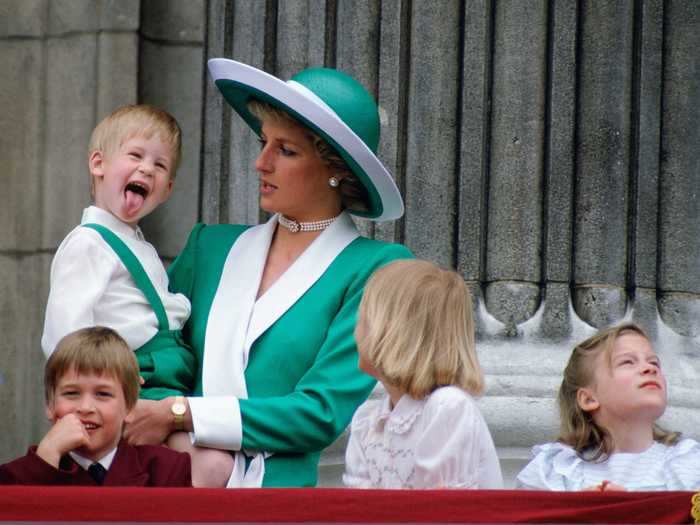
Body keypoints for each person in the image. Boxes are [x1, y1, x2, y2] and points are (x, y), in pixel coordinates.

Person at [122, 59, 413, 487]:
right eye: (264, 142)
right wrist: (169, 425)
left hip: (280, 501)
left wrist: (182, 415)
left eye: (286, 150)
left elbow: (320, 412)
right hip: (172, 485)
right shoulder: (210, 246)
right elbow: (158, 358)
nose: (261, 162)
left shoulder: (376, 268)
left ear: (337, 169)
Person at [40, 104, 234, 487]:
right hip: (135, 382)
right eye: (135, 156)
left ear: (168, 190)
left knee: (208, 465)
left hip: (166, 381)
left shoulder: (138, 244)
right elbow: (63, 334)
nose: (147, 168)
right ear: (98, 164)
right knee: (211, 468)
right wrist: (89, 399)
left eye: (160, 166)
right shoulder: (88, 243)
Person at [342, 259, 502, 489]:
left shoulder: (447, 407)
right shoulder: (367, 421)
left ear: (393, 333)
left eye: (364, 320)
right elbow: (356, 509)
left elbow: (440, 511)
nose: (355, 332)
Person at [516, 322, 700, 491]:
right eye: (627, 362)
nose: (650, 369)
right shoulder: (555, 469)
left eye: (654, 362)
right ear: (588, 399)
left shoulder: (689, 464)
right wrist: (579, 511)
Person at [0, 327, 191, 486]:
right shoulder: (13, 477)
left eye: (103, 394)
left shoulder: (166, 470)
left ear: (130, 407)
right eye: (71, 393)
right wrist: (46, 458)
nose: (85, 407)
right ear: (50, 405)